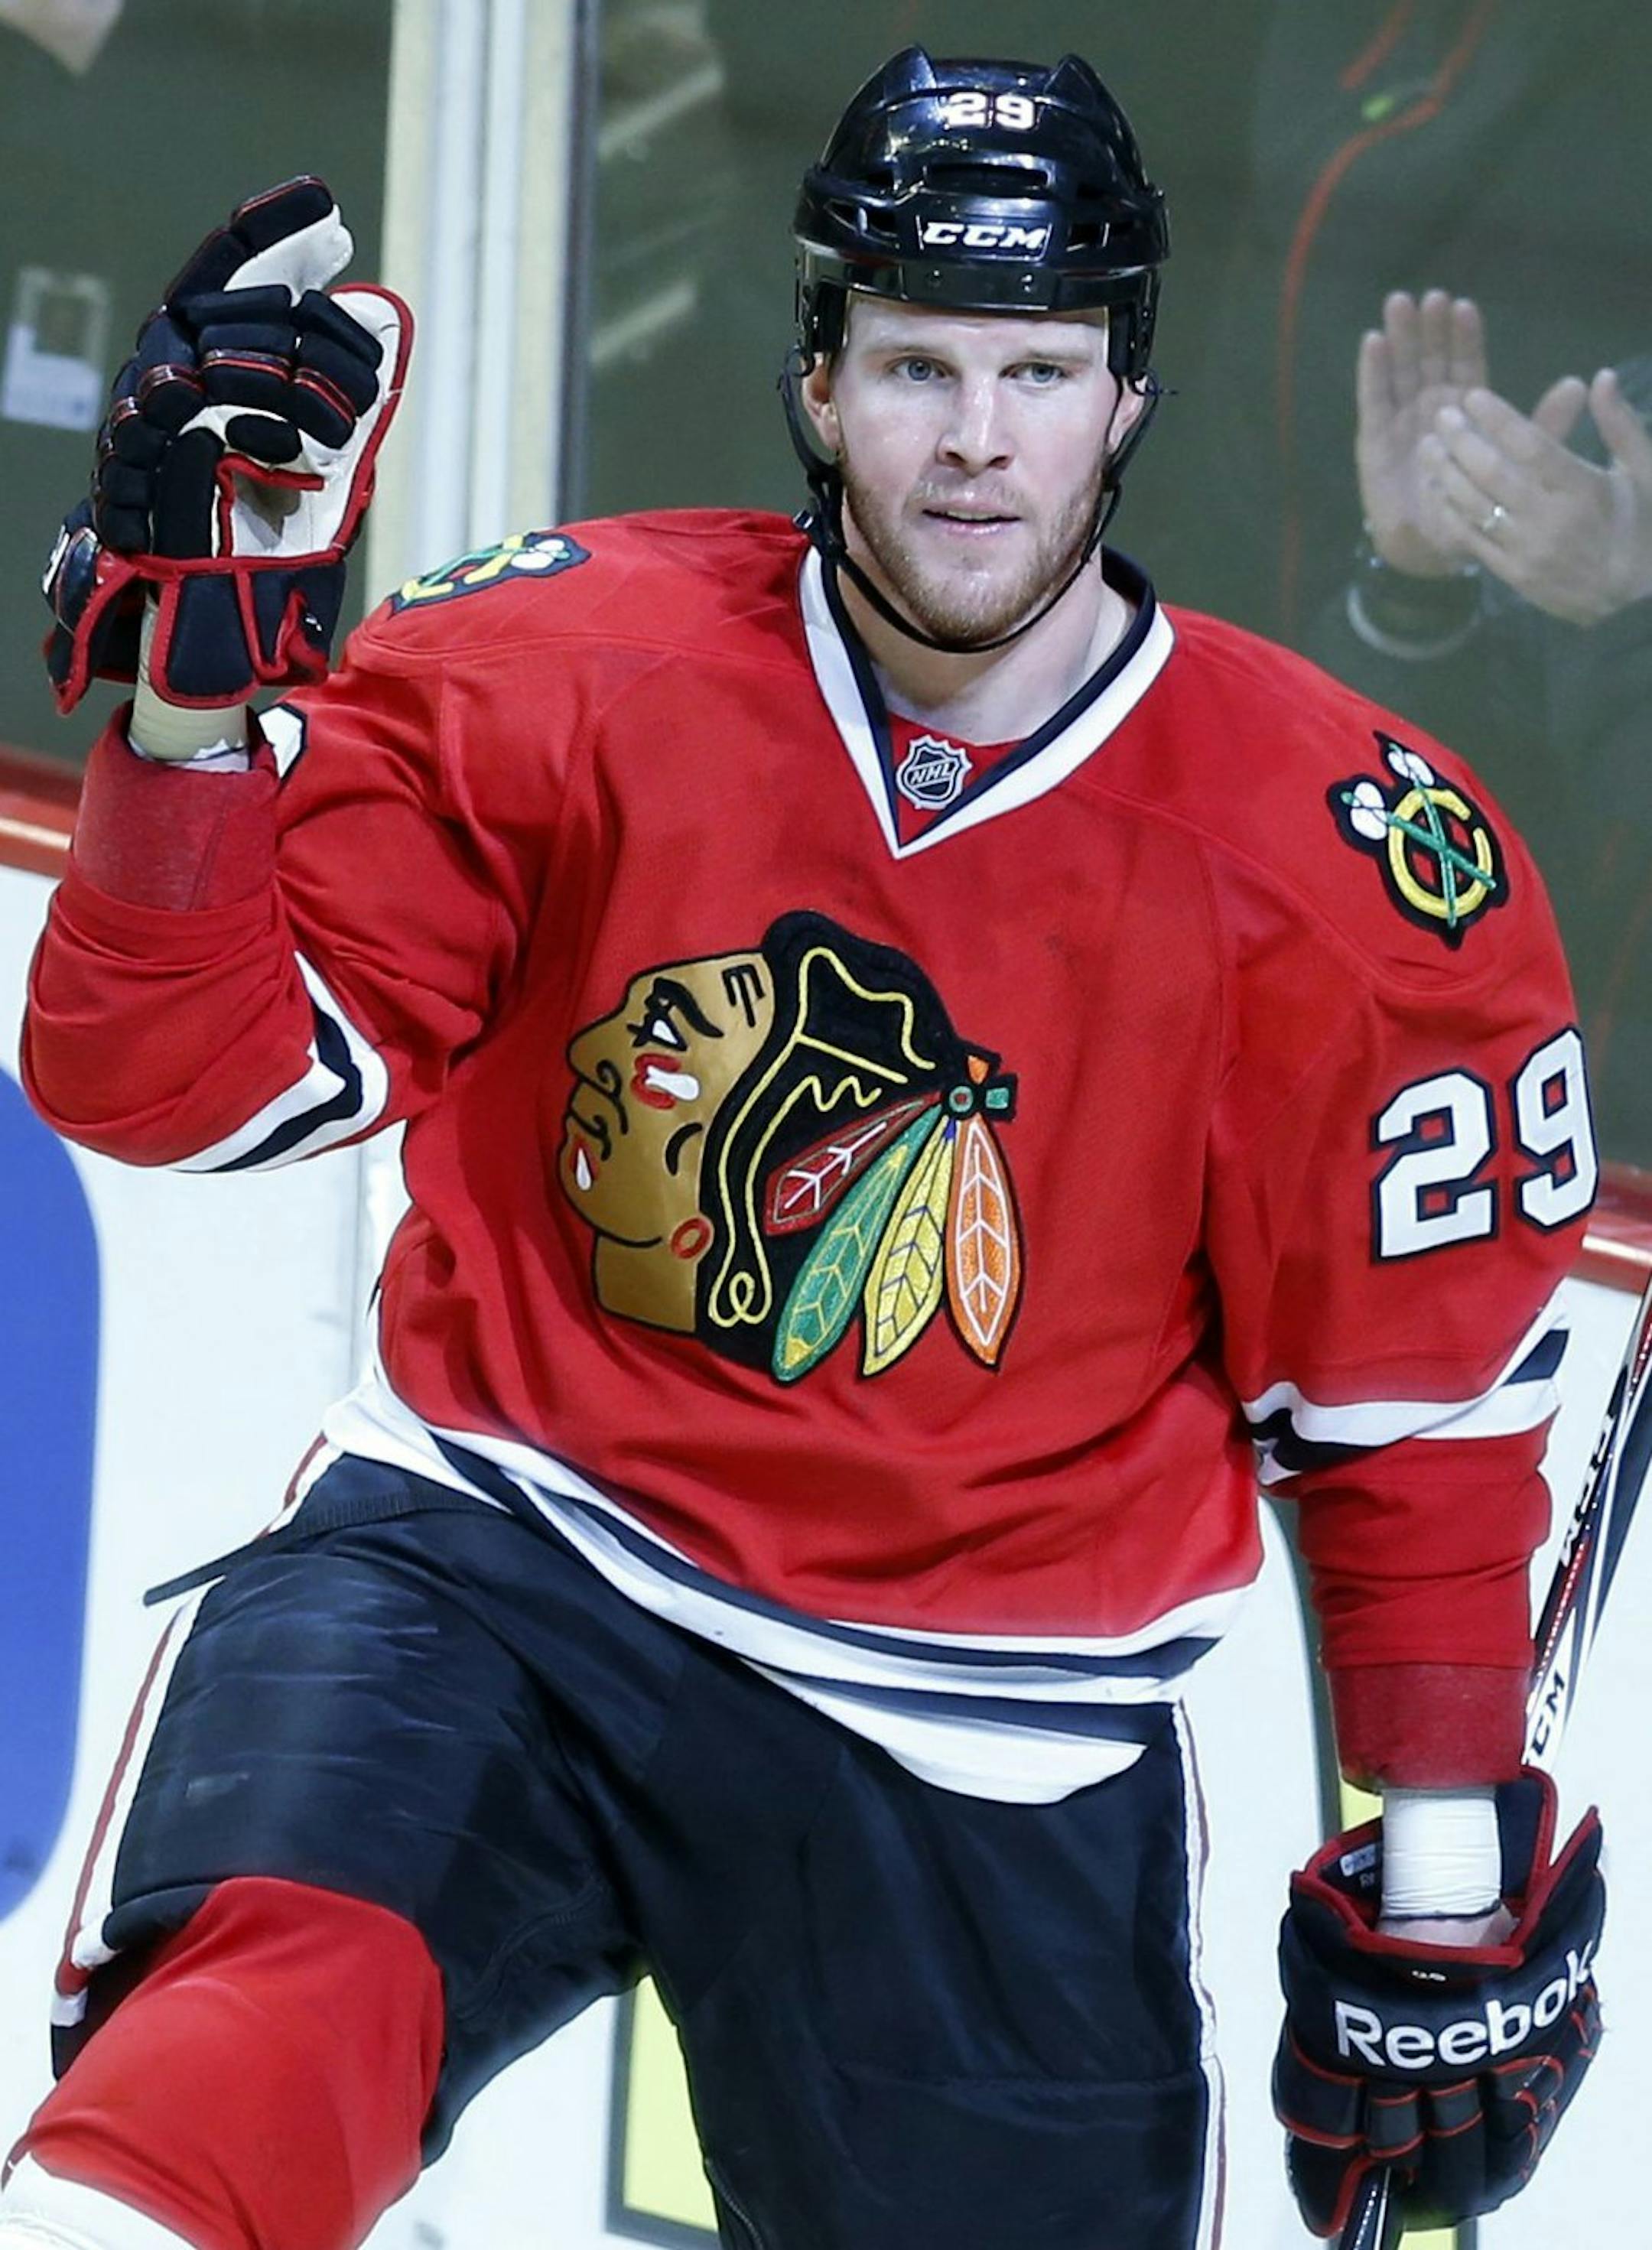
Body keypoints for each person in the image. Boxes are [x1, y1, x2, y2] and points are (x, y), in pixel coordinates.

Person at [1, 47, 1607, 2250]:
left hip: (991, 1738)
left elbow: (1408, 1428)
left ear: (1125, 398)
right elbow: (158, 1084)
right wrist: (192, 716)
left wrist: (1447, 1879)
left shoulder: (1348, 862)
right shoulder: (551, 661)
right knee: (190, 2129)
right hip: (504, 1570)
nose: (975, 437)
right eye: (917, 362)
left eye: (1038, 370)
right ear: (816, 377)